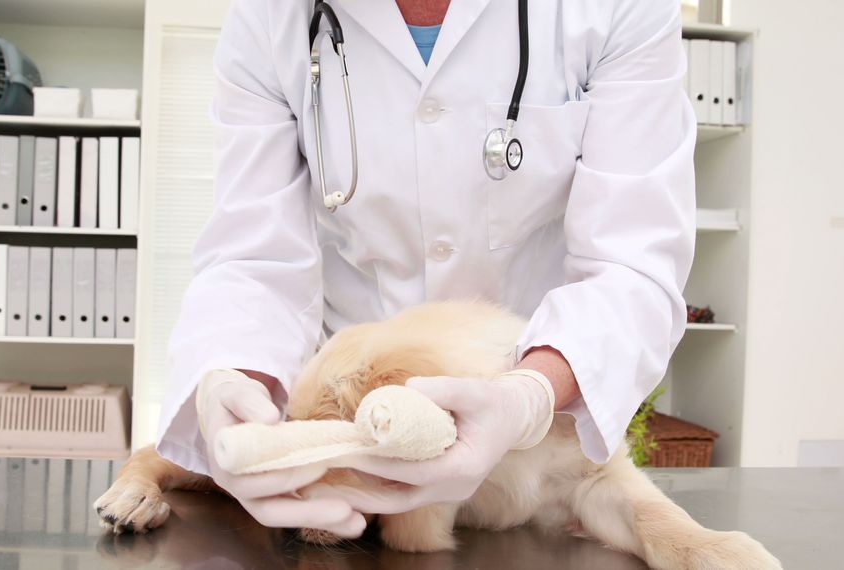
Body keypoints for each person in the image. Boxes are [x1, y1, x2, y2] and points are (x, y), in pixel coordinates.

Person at [155, 0, 695, 537]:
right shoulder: (270, 15)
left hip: (540, 416)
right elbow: (255, 256)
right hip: (350, 423)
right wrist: (236, 381)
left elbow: (632, 261)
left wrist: (526, 397)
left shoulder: (621, 8)